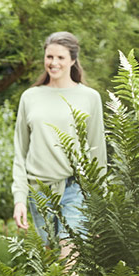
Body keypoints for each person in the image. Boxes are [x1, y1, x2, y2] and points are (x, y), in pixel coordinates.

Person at [11, 31, 107, 259]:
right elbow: (19, 153)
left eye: (60, 58)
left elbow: (98, 155)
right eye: (49, 57)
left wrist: (99, 207)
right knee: (50, 262)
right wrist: (19, 199)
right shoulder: (30, 97)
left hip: (76, 188)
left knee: (70, 256)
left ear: (73, 60)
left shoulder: (90, 97)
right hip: (39, 191)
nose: (53, 63)